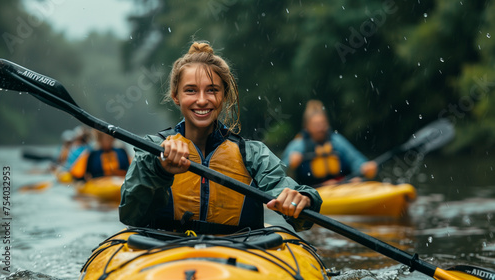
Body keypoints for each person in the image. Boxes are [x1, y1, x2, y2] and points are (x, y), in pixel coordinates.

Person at [119, 41, 322, 234]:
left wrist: (303, 199)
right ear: (176, 96)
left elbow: (300, 217)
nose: (201, 100)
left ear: (224, 96)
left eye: (212, 90)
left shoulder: (252, 154)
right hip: (166, 250)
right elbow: (130, 215)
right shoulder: (153, 149)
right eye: (191, 90)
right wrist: (160, 170)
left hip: (240, 252)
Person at [282, 100, 377, 186]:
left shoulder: (337, 141)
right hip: (312, 190)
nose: (320, 128)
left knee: (357, 179)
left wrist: (365, 167)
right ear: (307, 126)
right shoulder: (298, 145)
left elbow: (355, 159)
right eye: (316, 124)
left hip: (341, 187)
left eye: (322, 123)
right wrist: (291, 165)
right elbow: (282, 173)